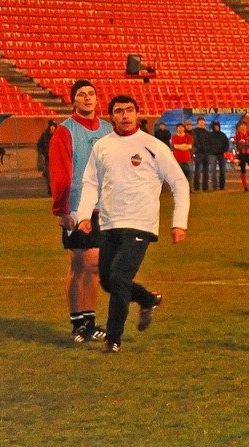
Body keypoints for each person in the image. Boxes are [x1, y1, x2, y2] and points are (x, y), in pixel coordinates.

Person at [76, 94, 190, 353]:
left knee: (119, 276)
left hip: (141, 223)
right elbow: (90, 182)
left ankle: (113, 339)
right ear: (111, 116)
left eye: (129, 110)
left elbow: (179, 182)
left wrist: (179, 222)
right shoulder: (102, 146)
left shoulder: (153, 146)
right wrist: (84, 215)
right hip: (109, 223)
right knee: (108, 281)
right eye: (119, 111)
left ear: (137, 114)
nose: (125, 115)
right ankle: (147, 299)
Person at [49, 79, 113, 343]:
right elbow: (60, 172)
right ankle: (78, 323)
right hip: (77, 208)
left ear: (97, 99)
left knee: (94, 266)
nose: (87, 98)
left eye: (91, 93)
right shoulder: (66, 131)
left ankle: (89, 321)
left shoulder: (108, 129)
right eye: (81, 94)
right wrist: (62, 209)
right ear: (73, 100)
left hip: (103, 208)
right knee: (80, 264)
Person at [206, 121, 229, 191]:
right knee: (213, 171)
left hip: (221, 154)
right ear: (213, 127)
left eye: (217, 126)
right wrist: (210, 151)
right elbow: (207, 144)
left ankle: (222, 186)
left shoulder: (223, 135)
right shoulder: (209, 135)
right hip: (212, 154)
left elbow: (226, 144)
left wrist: (224, 150)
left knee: (222, 171)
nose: (216, 127)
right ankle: (214, 187)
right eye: (215, 126)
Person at [36, 119, 57, 194]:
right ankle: (51, 191)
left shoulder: (58, 135)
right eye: (51, 126)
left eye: (54, 126)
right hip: (48, 159)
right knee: (49, 175)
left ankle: (56, 190)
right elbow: (39, 145)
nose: (52, 128)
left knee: (57, 175)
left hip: (57, 159)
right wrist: (43, 153)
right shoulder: (44, 136)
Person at [191, 116, 210, 192]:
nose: (202, 122)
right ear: (197, 122)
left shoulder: (207, 132)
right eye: (200, 121)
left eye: (203, 121)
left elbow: (209, 142)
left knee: (206, 171)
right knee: (197, 170)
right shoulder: (194, 131)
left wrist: (208, 149)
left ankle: (205, 187)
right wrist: (198, 149)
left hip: (206, 153)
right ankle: (197, 187)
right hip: (199, 153)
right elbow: (195, 141)